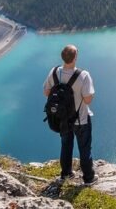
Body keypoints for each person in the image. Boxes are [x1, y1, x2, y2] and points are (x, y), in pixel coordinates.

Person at [43, 44, 97, 184]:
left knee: (66, 145)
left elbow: (47, 92)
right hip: (81, 120)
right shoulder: (83, 75)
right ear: (75, 58)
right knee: (84, 148)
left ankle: (66, 174)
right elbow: (88, 99)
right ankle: (88, 178)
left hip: (63, 119)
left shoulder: (54, 72)